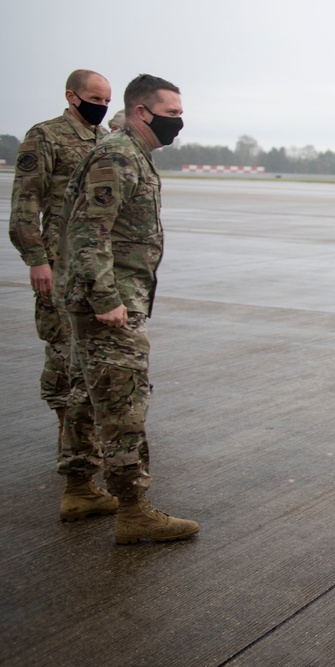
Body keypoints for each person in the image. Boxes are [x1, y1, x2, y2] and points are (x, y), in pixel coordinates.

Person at [59, 73, 198, 544]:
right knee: (123, 403)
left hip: (105, 297)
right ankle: (134, 510)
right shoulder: (118, 155)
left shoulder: (130, 153)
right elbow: (87, 231)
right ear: (142, 111)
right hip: (110, 303)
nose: (178, 123)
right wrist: (108, 300)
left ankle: (79, 490)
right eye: (172, 113)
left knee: (87, 393)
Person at [8, 69, 113, 521]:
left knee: (91, 356)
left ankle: (83, 446)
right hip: (59, 263)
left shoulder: (104, 138)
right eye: (94, 97)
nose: (101, 106)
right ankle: (73, 458)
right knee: (63, 356)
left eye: (106, 99)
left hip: (95, 268)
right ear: (72, 96)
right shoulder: (45, 137)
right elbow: (23, 204)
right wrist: (36, 259)